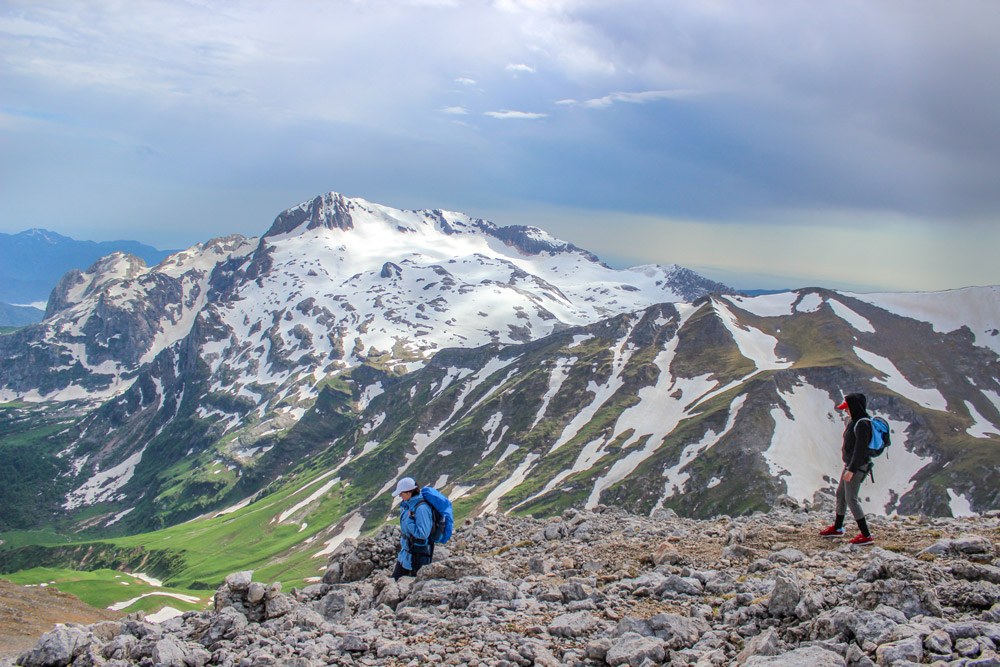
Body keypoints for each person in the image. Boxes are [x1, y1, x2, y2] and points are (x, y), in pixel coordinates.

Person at [819, 392, 875, 545]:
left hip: (856, 467)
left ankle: (866, 535)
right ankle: (837, 528)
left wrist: (851, 470)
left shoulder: (863, 424)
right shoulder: (855, 421)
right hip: (850, 465)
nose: (845, 410)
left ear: (855, 407)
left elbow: (860, 450)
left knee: (851, 498)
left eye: (847, 407)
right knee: (840, 494)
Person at [391, 477, 435, 580]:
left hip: (417, 556)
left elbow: (423, 534)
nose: (400, 496)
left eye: (401, 493)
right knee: (394, 581)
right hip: (406, 553)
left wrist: (410, 521)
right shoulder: (409, 505)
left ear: (409, 492)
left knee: (409, 586)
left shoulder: (421, 508)